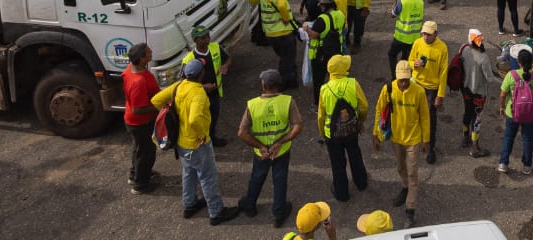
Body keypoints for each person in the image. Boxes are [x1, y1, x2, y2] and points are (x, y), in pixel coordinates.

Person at [151, 59, 241, 224]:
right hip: (197, 144)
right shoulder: (198, 94)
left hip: (181, 142)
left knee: (189, 173)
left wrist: (171, 112)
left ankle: (190, 204)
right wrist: (201, 136)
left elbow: (156, 100)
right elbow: (193, 120)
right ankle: (216, 212)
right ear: (202, 74)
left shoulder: (178, 86)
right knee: (208, 176)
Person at [237, 68, 302, 227]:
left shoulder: (252, 105)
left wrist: (261, 146)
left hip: (262, 153)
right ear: (278, 85)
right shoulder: (287, 101)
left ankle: (250, 205)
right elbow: (297, 126)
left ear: (264, 85)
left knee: (257, 176)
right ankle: (279, 214)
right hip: (282, 151)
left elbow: (242, 133)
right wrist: (280, 142)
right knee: (280, 180)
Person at [373, 60, 431, 229]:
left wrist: (426, 139)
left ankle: (410, 210)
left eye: (406, 79)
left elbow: (425, 116)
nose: (404, 83)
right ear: (396, 78)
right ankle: (405, 187)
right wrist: (375, 135)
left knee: (412, 173)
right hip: (396, 138)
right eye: (401, 80)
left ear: (410, 76)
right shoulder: (388, 89)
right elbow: (379, 110)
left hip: (414, 139)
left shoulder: (419, 92)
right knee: (400, 168)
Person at [317, 54, 369, 202]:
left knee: (337, 163)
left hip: (332, 134)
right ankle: (361, 183)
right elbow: (364, 106)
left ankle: (342, 193)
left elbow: (321, 116)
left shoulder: (324, 89)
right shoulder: (353, 83)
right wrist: (360, 122)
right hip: (351, 129)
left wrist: (323, 133)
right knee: (355, 155)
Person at [497, 49, 533, 175]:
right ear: (532, 63)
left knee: (509, 137)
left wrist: (502, 107)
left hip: (512, 112)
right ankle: (527, 166)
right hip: (531, 113)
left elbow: (502, 95)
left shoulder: (511, 75)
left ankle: (503, 163)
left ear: (518, 62)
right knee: (527, 138)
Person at [180, 26, 232, 147]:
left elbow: (228, 58)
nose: (207, 39)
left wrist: (226, 65)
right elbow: (183, 81)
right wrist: (203, 87)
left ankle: (212, 138)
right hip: (198, 96)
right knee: (200, 119)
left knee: (213, 117)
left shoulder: (215, 48)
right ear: (196, 41)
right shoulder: (189, 59)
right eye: (203, 38)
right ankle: (203, 141)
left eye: (208, 36)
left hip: (214, 93)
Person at [408, 20, 449, 164]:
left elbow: (444, 73)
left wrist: (440, 95)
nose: (426, 37)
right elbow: (410, 60)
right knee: (414, 114)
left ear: (436, 34)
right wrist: (414, 64)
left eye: (429, 34)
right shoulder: (418, 43)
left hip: (432, 88)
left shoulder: (442, 48)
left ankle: (430, 148)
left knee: (430, 119)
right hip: (417, 84)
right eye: (424, 34)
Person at [250, 0, 299, 91]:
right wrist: (286, 18)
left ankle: (292, 79)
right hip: (284, 33)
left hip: (270, 34)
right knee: (287, 59)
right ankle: (283, 82)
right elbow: (282, 6)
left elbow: (252, 0)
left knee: (284, 56)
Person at [122, 42, 160, 194]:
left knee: (138, 149)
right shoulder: (139, 82)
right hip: (141, 123)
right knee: (146, 152)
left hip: (133, 121)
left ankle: (135, 174)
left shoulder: (130, 71)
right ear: (141, 58)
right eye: (148, 53)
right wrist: (159, 107)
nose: (151, 54)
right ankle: (141, 184)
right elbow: (138, 109)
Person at [456, 29, 498, 158]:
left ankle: (465, 137)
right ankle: (475, 147)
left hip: (465, 89)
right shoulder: (483, 57)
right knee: (477, 119)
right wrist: (504, 80)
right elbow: (489, 78)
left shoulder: (463, 49)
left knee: (467, 112)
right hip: (479, 94)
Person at [306, 0, 346, 101]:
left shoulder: (322, 19)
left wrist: (306, 29)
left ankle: (318, 102)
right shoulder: (340, 14)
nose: (321, 7)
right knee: (335, 77)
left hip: (322, 54)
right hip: (337, 51)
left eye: (322, 5)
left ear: (325, 6)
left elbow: (314, 35)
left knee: (318, 79)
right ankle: (336, 97)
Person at [388, 0, 425, 79]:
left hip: (401, 37)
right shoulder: (420, 1)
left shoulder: (402, 2)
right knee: (407, 58)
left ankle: (395, 76)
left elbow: (392, 15)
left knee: (392, 54)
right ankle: (406, 76)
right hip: (414, 38)